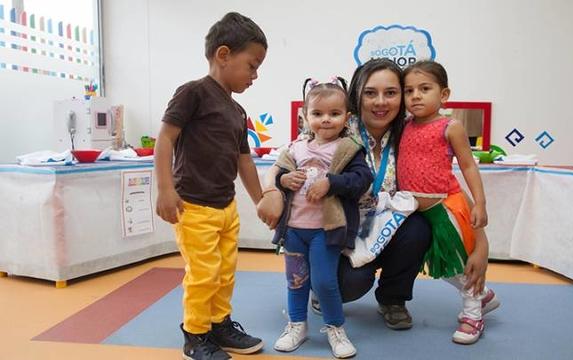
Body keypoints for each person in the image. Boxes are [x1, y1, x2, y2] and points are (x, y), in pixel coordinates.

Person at [259, 58, 433, 331]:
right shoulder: (335, 129)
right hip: (339, 228)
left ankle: (393, 300)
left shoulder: (409, 133)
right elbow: (284, 160)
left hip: (384, 227)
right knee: (347, 284)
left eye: (390, 93)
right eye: (370, 93)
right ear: (356, 97)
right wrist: (272, 188)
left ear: (401, 96)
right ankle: (321, 287)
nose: (380, 102)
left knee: (418, 229)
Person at [154, 12, 267, 360]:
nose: (255, 75)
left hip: (225, 207)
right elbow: (164, 140)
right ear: (223, 55)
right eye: (252, 65)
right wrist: (165, 188)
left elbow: (243, 160)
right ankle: (195, 334)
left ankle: (219, 324)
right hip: (194, 206)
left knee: (225, 272)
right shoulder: (193, 93)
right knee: (203, 274)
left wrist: (262, 201)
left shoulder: (238, 111)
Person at [398, 59, 499, 344]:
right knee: (442, 266)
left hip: (446, 206)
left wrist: (479, 203)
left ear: (444, 94)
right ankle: (483, 295)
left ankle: (472, 315)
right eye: (409, 90)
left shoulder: (450, 127)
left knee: (462, 263)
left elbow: (468, 166)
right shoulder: (404, 126)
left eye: (424, 88)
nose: (415, 95)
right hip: (418, 213)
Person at [270, 78, 373, 358]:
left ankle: (335, 328)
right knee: (296, 281)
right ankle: (297, 326)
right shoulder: (295, 148)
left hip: (325, 230)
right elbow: (277, 175)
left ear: (346, 117)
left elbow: (363, 179)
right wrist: (284, 178)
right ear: (304, 116)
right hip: (293, 229)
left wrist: (332, 183)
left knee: (325, 281)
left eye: (334, 114)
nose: (326, 120)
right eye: (317, 114)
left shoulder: (349, 148)